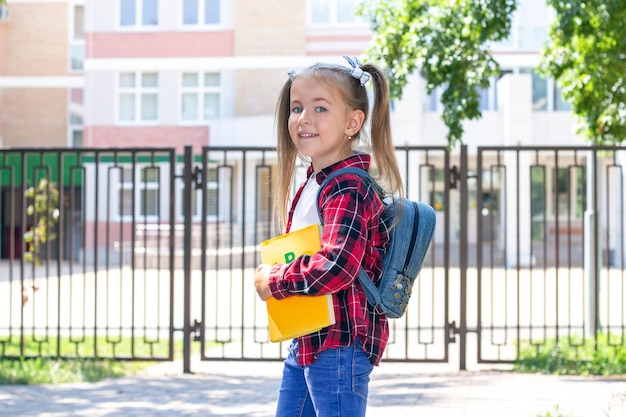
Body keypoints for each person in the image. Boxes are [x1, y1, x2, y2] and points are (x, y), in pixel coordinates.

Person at [254, 56, 403, 417]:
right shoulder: (316, 182)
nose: (303, 118)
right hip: (310, 339)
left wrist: (274, 280)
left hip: (339, 346)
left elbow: (337, 265)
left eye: (320, 108)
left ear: (353, 122)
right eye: (296, 107)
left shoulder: (346, 186)